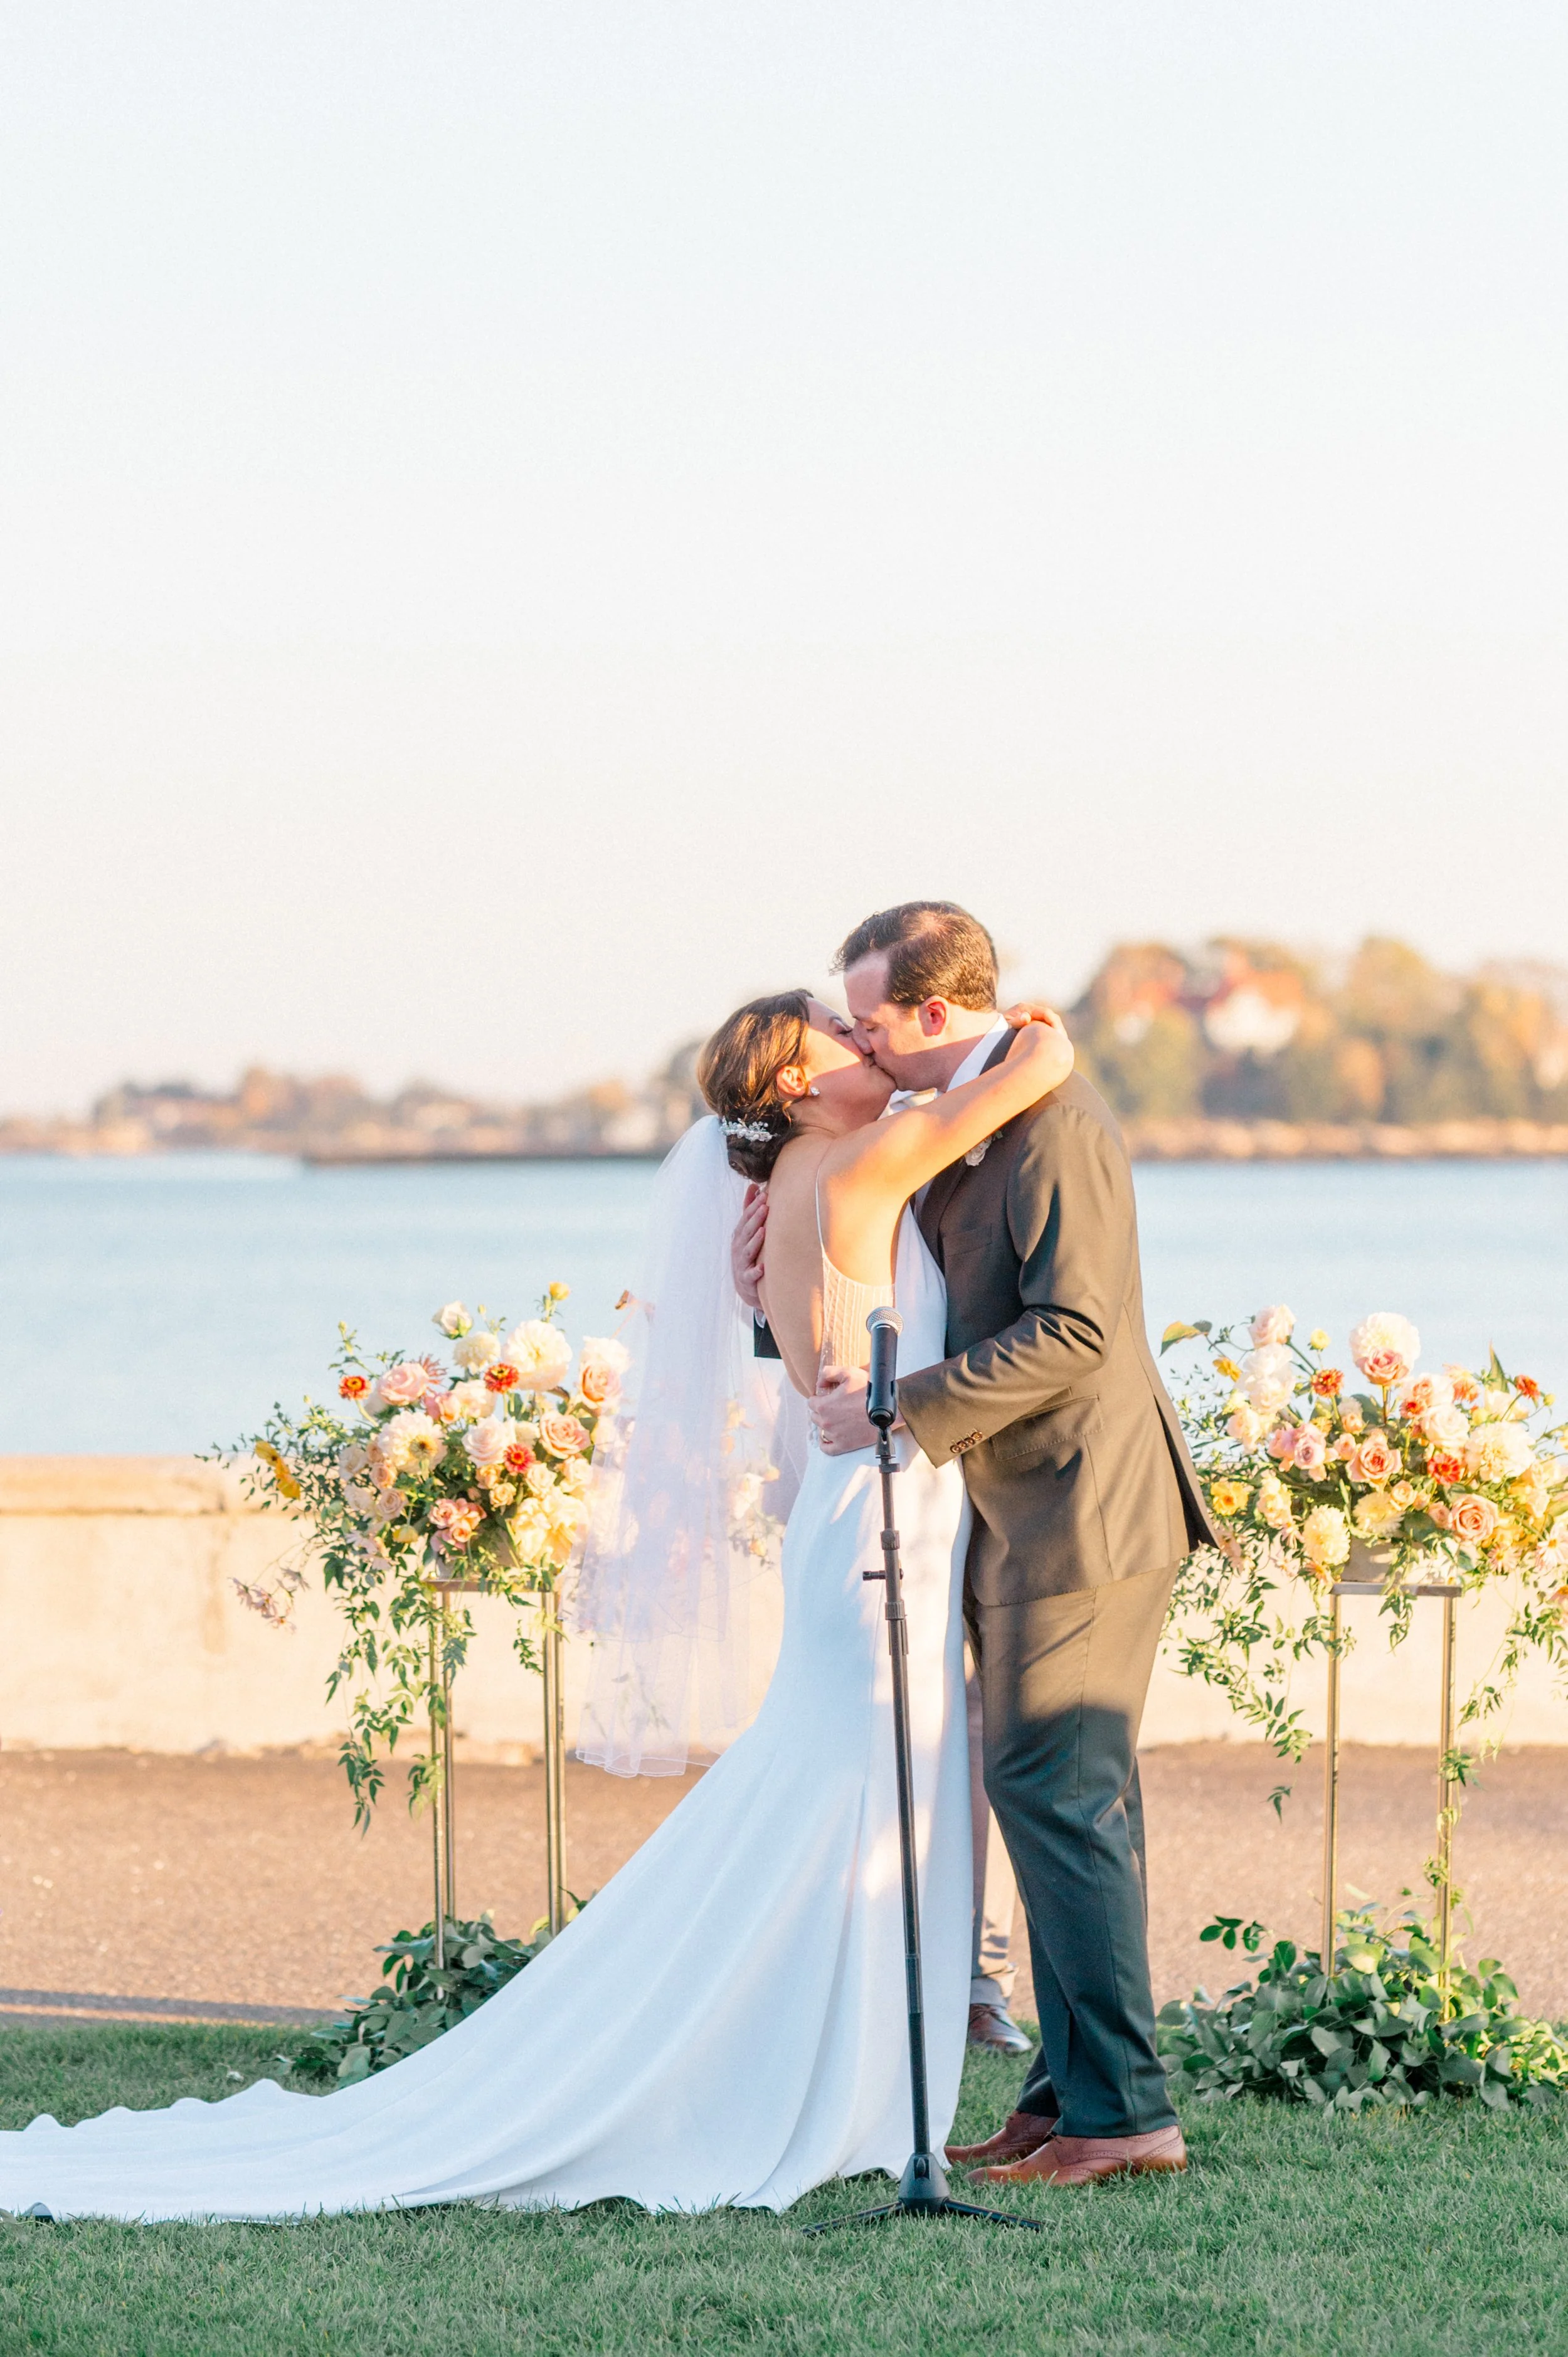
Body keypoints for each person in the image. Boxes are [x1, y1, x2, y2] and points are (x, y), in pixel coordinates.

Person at [0, 990, 1072, 2223]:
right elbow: (1006, 1086)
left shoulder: (789, 1182)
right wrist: (1043, 1037)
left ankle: (847, 2055)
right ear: (789, 1082)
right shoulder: (854, 1158)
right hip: (874, 1516)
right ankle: (806, 2061)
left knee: (859, 1785)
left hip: (867, 1501)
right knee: (850, 1782)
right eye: (843, 1033)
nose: (868, 1041)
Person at [751, 902, 1215, 2188]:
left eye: (871, 1020)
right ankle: (1061, 2092)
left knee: (1060, 1796)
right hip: (1012, 1511)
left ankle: (1122, 2114)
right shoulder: (961, 1116)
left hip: (1085, 1508)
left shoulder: (1052, 1124)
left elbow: (1076, 1330)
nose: (860, 1040)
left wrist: (903, 1403)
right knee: (1046, 1798)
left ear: (936, 1014)